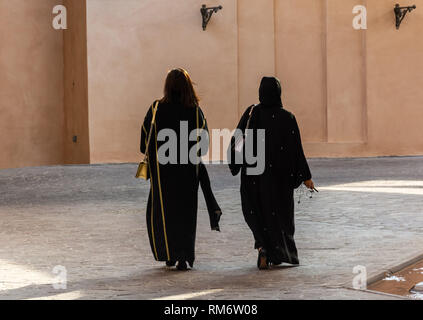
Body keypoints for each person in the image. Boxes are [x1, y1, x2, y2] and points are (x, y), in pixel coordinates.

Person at [228, 76, 315, 270]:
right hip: (279, 179)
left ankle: (262, 247)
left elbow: (238, 141)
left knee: (256, 211)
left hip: (253, 176)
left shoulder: (252, 113)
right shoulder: (288, 118)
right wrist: (306, 176)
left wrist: (237, 163)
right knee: (278, 215)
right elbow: (296, 150)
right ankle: (279, 253)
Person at [140, 68, 221, 271]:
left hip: (163, 173)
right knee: (186, 214)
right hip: (187, 172)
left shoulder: (156, 109)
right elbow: (203, 143)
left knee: (164, 213)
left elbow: (144, 142)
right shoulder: (194, 111)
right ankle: (184, 256)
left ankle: (168, 252)